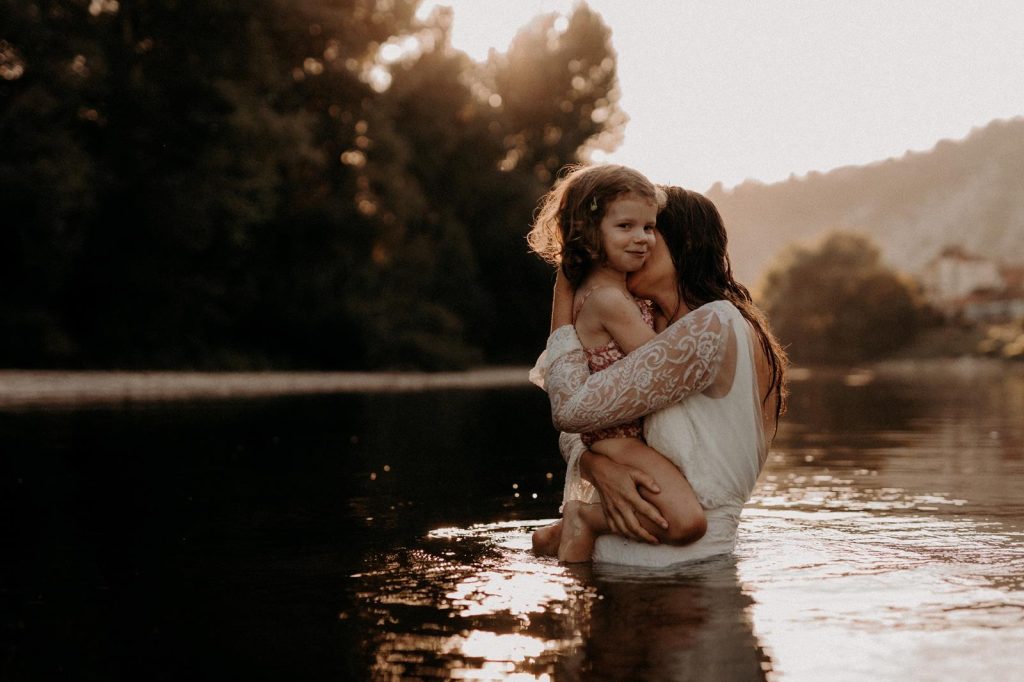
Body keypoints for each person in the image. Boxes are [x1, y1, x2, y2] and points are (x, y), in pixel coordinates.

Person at [534, 185, 788, 567]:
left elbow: (571, 409)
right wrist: (595, 466)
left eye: (651, 232)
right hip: (628, 558)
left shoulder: (713, 326)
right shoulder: (655, 328)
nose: (636, 247)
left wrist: (564, 291)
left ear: (682, 243)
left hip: (686, 570)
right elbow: (581, 421)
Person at [527, 165, 708, 561]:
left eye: (649, 227)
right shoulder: (608, 300)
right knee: (688, 522)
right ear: (590, 232)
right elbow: (663, 364)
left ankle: (554, 539)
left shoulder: (614, 290)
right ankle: (585, 521)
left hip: (621, 438)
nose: (643, 239)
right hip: (619, 442)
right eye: (625, 226)